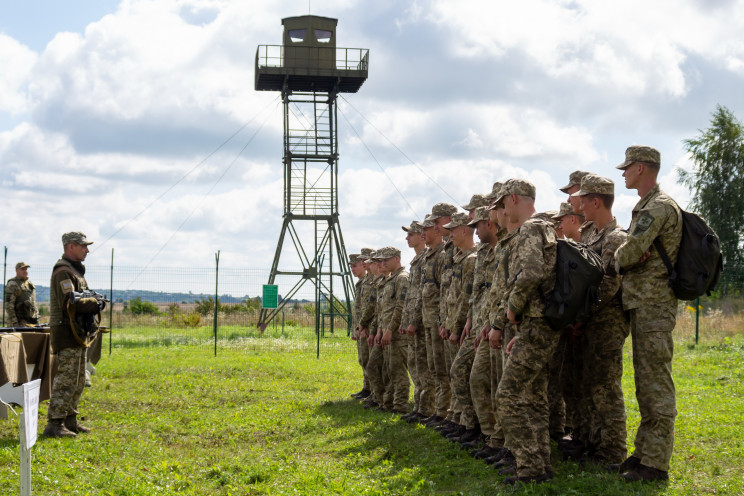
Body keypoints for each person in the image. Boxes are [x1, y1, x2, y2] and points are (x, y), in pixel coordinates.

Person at [613, 145, 682, 482]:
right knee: (645, 382)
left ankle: (656, 464)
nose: (623, 173)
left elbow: (629, 254)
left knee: (656, 384)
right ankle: (643, 454)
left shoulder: (658, 207)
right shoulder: (646, 206)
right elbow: (631, 252)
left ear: (642, 168)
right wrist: (627, 253)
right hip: (643, 303)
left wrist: (618, 258)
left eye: (627, 168)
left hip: (654, 304)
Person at [491, 179, 558, 485]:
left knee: (507, 395)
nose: (503, 211)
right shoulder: (544, 227)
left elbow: (530, 273)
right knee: (533, 397)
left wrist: (512, 309)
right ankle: (539, 464)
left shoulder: (532, 228)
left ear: (514, 198)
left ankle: (529, 467)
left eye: (503, 204)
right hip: (539, 324)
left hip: (535, 322)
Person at [572, 174, 630, 464]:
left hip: (607, 322)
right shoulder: (589, 234)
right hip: (589, 321)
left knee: (606, 386)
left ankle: (614, 451)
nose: (579, 206)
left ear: (596, 201)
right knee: (589, 383)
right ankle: (593, 443)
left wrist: (582, 315)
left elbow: (608, 284)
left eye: (583, 200)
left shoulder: (616, 237)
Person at [43, 232, 104, 438]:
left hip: (77, 332)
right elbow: (70, 303)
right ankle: (54, 423)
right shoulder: (63, 272)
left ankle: (70, 420)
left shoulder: (75, 271)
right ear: (71, 247)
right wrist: (96, 303)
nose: (87, 250)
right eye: (83, 246)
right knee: (66, 379)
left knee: (78, 379)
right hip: (66, 332)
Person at [400, 221, 432, 422]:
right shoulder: (417, 260)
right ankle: (419, 407)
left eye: (411, 234)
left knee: (424, 368)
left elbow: (424, 294)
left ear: (421, 235)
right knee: (415, 366)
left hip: (422, 322)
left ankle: (426, 409)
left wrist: (414, 320)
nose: (407, 237)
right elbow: (411, 297)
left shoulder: (427, 259)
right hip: (413, 322)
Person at [377, 246, 410, 414]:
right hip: (389, 333)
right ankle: (389, 403)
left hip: (397, 334)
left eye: (386, 260)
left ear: (397, 259)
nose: (382, 263)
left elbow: (400, 307)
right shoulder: (392, 279)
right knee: (390, 370)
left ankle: (400, 406)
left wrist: (389, 330)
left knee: (398, 372)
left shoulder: (402, 278)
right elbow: (385, 310)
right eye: (381, 260)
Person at [349, 253, 371, 399]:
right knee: (363, 359)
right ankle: (367, 387)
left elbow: (369, 308)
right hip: (360, 328)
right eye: (351, 266)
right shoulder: (361, 283)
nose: (353, 269)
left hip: (367, 329)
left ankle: (370, 390)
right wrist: (354, 329)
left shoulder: (368, 283)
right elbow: (357, 310)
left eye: (355, 265)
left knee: (368, 360)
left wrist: (364, 327)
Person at [5, 262, 39, 327]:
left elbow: (33, 303)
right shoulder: (13, 284)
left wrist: (35, 317)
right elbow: (9, 306)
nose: (25, 271)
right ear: (16, 271)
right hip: (18, 322)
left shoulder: (29, 284)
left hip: (30, 321)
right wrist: (14, 323)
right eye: (22, 269)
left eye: (26, 269)